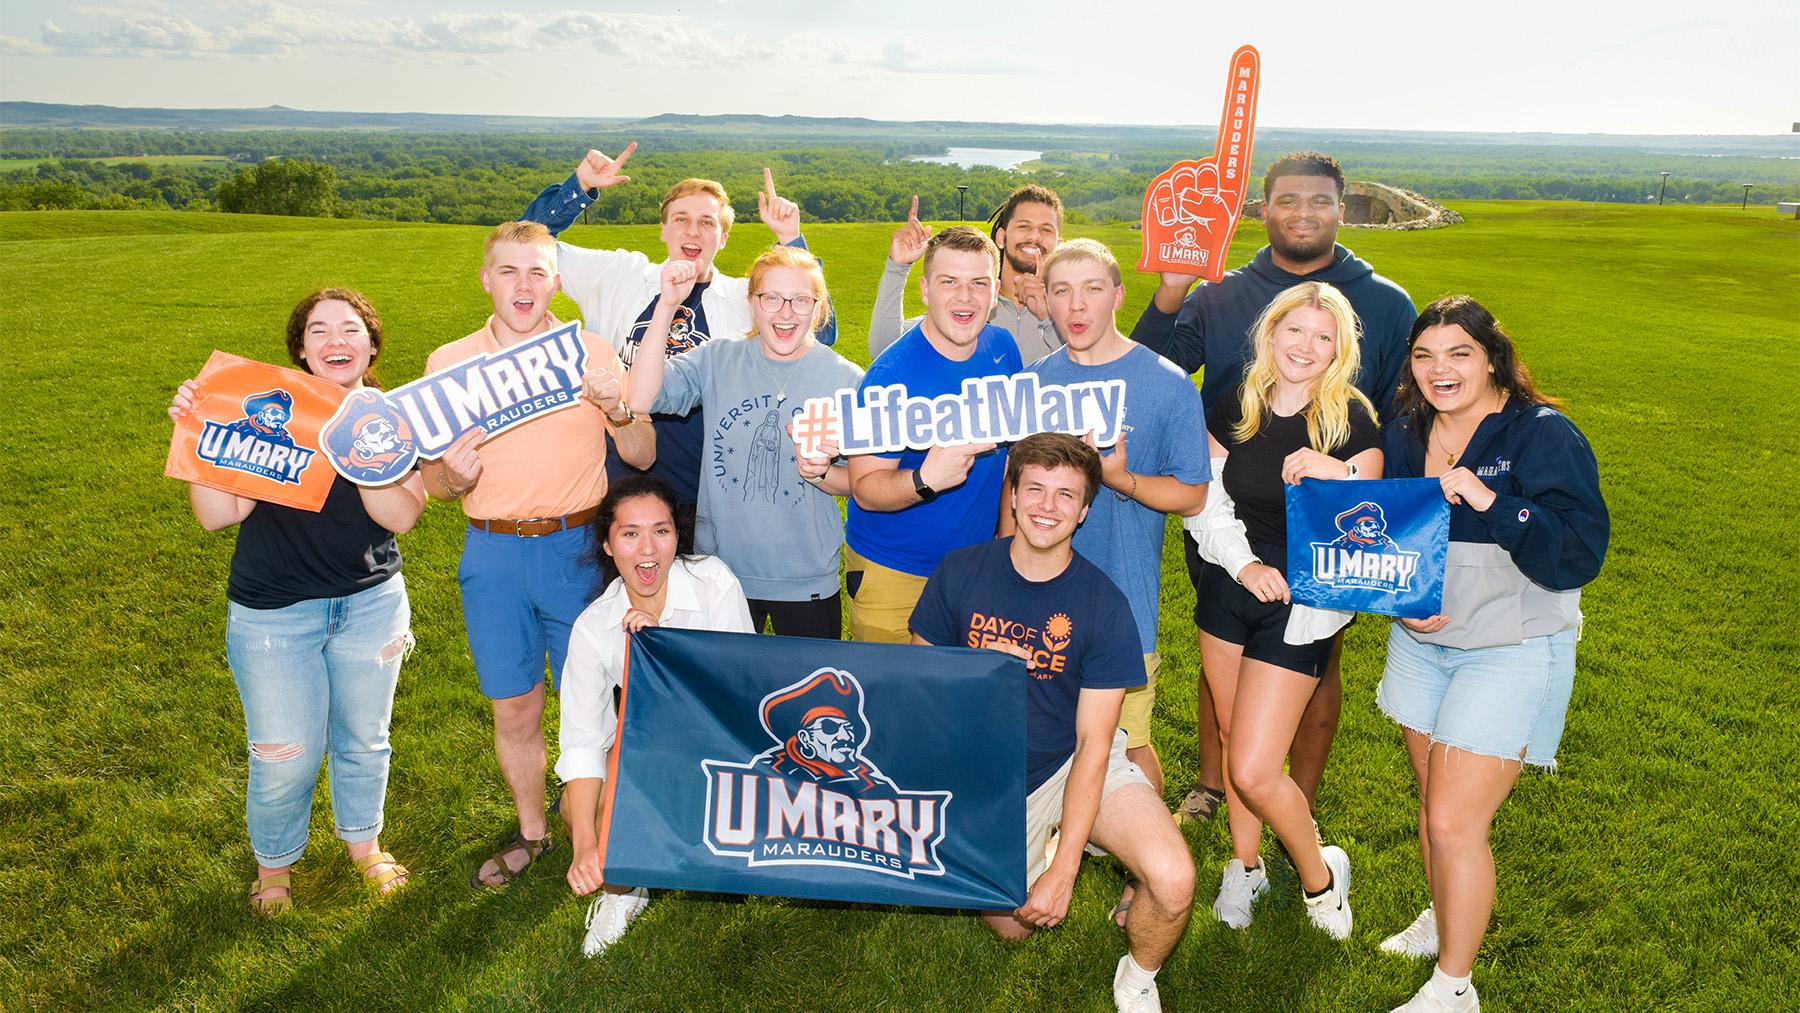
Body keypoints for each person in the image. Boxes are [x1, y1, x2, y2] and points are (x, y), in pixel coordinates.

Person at [1136, 151, 1417, 829]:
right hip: (1231, 519)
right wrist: (1171, 290)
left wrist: (1371, 496)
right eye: (1287, 200)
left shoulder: (1384, 300)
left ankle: (1298, 796)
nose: (1303, 213)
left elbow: (1403, 416)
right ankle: (1216, 783)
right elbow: (1155, 373)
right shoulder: (1221, 292)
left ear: (1341, 210)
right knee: (1223, 644)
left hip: (1328, 534)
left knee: (1317, 661)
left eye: (1320, 201)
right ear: (1264, 210)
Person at [1375, 296, 1608, 1013]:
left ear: (1492, 358)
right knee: (1432, 805)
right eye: (1424, 355)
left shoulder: (1542, 434)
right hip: (1423, 642)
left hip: (1508, 647)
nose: (1439, 370)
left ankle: (1454, 987)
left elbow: (1579, 551)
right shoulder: (1409, 428)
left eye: (1458, 354)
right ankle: (1444, 916)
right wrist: (1403, 598)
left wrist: (1492, 502)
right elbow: (1385, 530)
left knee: (1454, 821)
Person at [911, 433, 1195, 1013]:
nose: (1047, 505)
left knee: (1173, 880)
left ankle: (1137, 975)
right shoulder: (960, 572)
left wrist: (1062, 870)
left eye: (1066, 494)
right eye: (1034, 488)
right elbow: (922, 684)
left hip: (1068, 756)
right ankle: (1053, 839)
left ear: (1085, 509)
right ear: (1012, 496)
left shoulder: (1103, 604)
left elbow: (1094, 744)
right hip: (989, 770)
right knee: (1016, 925)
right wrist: (981, 672)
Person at [167, 288, 426, 915]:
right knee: (285, 751)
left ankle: (364, 844)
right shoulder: (270, 413)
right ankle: (274, 864)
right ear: (301, 349)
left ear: (371, 344)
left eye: (350, 329)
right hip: (274, 611)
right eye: (319, 331)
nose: (336, 342)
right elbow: (217, 516)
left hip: (370, 604)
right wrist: (202, 436)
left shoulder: (392, 415)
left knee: (365, 737)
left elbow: (402, 514)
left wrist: (361, 445)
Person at [422, 221, 654, 889]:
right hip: (492, 551)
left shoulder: (589, 349)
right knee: (516, 706)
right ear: (486, 279)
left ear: (557, 280)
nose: (524, 285)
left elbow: (643, 455)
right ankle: (533, 831)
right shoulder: (449, 362)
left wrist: (618, 412)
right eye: (509, 271)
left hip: (579, 547)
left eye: (538, 272)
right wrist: (453, 479)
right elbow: (435, 484)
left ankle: (606, 829)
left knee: (603, 698)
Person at [1016, 239, 1211, 921]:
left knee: (1127, 740)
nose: (1076, 305)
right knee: (1048, 727)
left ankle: (1146, 868)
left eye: (1091, 288)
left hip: (1122, 600)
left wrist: (1122, 477)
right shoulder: (1031, 383)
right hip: (1037, 600)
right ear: (1043, 297)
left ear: (1119, 293)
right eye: (1060, 290)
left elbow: (1191, 493)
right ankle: (1048, 836)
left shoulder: (1164, 382)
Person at [1185, 281, 1381, 938]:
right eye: (1295, 330)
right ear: (1270, 333)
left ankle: (1320, 875)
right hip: (1230, 582)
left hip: (1307, 601)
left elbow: (1375, 502)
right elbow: (1204, 503)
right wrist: (1245, 565)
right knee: (1232, 734)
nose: (1306, 346)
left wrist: (1335, 471)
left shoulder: (1351, 418)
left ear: (1339, 350)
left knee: (1253, 765)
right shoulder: (1234, 405)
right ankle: (1245, 866)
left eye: (1323, 337)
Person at [522, 148, 835, 518]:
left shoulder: (743, 297)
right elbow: (525, 247)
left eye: (707, 222)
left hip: (705, 490)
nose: (692, 230)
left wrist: (791, 240)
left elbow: (821, 332)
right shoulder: (617, 274)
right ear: (663, 229)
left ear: (723, 238)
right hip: (615, 480)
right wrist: (580, 187)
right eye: (681, 219)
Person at [555, 476, 754, 957]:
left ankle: (710, 841)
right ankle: (623, 890)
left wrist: (661, 649)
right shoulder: (594, 627)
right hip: (659, 745)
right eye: (630, 534)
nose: (648, 549)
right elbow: (582, 743)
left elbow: (744, 689)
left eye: (661, 532)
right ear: (607, 544)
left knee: (730, 877)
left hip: (730, 738)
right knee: (589, 793)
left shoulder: (713, 581)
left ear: (677, 538)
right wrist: (587, 846)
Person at [625, 245, 865, 638]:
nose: (785, 313)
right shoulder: (718, 360)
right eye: (771, 298)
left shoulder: (845, 379)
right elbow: (641, 398)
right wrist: (667, 306)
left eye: (801, 300)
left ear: (818, 307)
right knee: (725, 697)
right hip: (721, 573)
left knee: (807, 694)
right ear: (751, 303)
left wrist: (822, 473)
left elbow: (865, 481)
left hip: (806, 577)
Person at [845, 226, 1022, 643]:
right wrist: (926, 479)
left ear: (995, 291)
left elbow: (1011, 459)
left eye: (978, 283)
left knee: (952, 700)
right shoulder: (888, 378)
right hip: (893, 572)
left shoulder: (1003, 350)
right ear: (925, 290)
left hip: (973, 569)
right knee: (890, 702)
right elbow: (865, 488)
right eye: (949, 283)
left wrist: (1007, 543)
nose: (965, 297)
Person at [869, 184, 1065, 362]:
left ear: (1059, 245)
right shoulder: (973, 300)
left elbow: (1088, 375)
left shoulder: (1074, 312)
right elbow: (884, 350)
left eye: (1046, 230)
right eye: (1024, 226)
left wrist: (1049, 317)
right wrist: (898, 267)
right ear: (1001, 237)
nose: (1034, 236)